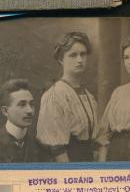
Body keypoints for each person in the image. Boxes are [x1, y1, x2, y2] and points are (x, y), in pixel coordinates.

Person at [36, 32, 98, 162]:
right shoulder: (56, 94)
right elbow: (57, 148)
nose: (80, 60)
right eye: (73, 55)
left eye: (83, 54)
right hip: (68, 162)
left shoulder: (88, 95)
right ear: (61, 59)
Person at [0, 79, 48, 163]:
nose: (30, 110)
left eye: (32, 104)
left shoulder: (41, 148)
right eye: (22, 105)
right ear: (5, 111)